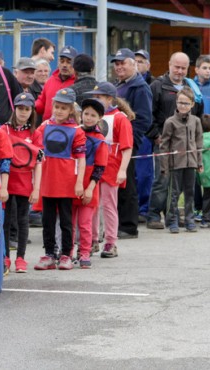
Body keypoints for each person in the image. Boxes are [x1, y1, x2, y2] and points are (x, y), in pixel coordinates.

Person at [145, 52, 204, 229]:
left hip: (186, 147)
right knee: (162, 179)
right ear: (169, 65)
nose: (179, 71)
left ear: (188, 69)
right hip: (163, 143)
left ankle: (176, 216)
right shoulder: (157, 86)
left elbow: (199, 113)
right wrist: (155, 135)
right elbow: (149, 114)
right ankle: (154, 215)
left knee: (183, 185)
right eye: (176, 67)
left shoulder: (192, 86)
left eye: (183, 68)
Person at [33, 88, 86, 271]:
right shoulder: (44, 126)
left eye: (64, 108)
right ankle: (49, 253)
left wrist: (79, 182)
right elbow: (34, 147)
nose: (59, 111)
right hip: (47, 181)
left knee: (65, 220)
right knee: (47, 220)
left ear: (71, 109)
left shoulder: (77, 131)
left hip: (66, 182)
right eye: (57, 107)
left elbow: (81, 159)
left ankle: (66, 254)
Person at [88, 82, 134, 258]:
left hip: (111, 166)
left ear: (109, 99)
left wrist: (122, 170)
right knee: (91, 204)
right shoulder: (93, 117)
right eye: (94, 97)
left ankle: (110, 242)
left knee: (108, 205)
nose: (95, 100)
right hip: (93, 166)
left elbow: (127, 147)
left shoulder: (120, 118)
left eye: (98, 97)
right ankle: (91, 240)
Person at [111, 48, 152, 239]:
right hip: (114, 143)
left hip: (127, 143)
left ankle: (128, 226)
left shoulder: (140, 87)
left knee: (127, 184)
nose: (119, 67)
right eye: (116, 63)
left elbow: (144, 119)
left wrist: (130, 141)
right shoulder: (118, 85)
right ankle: (117, 223)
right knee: (116, 183)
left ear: (133, 64)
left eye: (123, 63)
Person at [1, 93, 41, 274]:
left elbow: (39, 162)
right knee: (6, 220)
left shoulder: (35, 133)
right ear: (14, 109)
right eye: (20, 108)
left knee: (23, 220)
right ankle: (5, 257)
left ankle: (21, 258)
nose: (23, 112)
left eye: (27, 109)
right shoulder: (4, 130)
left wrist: (37, 188)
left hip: (25, 183)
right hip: (6, 183)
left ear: (32, 111)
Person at [159, 87, 203, 233]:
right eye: (180, 102)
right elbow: (164, 145)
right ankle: (172, 221)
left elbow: (198, 143)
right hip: (175, 164)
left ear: (192, 104)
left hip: (191, 163)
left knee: (190, 193)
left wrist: (199, 162)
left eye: (186, 103)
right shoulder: (170, 122)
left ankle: (190, 220)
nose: (182, 106)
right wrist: (164, 166)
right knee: (174, 193)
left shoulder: (196, 121)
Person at [71, 98, 108, 268]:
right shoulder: (73, 132)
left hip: (89, 185)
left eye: (93, 115)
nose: (88, 118)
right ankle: (68, 251)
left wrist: (90, 188)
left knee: (85, 223)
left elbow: (100, 167)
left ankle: (85, 251)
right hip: (71, 183)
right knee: (69, 222)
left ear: (99, 118)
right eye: (86, 114)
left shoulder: (100, 139)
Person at [133, 49, 154, 223]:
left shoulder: (153, 84)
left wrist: (154, 133)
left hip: (146, 135)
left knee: (144, 174)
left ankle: (143, 208)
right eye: (135, 61)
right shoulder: (122, 83)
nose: (138, 64)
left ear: (148, 65)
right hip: (129, 134)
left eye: (141, 61)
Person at [35, 45, 78, 122]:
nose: (64, 65)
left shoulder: (78, 83)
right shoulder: (50, 80)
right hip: (48, 128)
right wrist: (31, 106)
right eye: (62, 61)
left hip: (68, 129)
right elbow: (42, 102)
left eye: (69, 62)